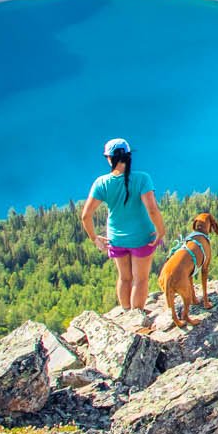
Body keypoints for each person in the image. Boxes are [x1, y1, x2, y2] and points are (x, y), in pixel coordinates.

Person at [80, 137, 167, 335]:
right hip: (142, 237)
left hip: (116, 239)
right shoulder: (142, 179)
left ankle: (127, 314)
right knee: (140, 279)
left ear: (109, 159)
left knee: (125, 278)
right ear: (128, 157)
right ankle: (137, 321)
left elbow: (86, 215)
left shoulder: (101, 183)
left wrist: (95, 238)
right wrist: (160, 231)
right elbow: (152, 210)